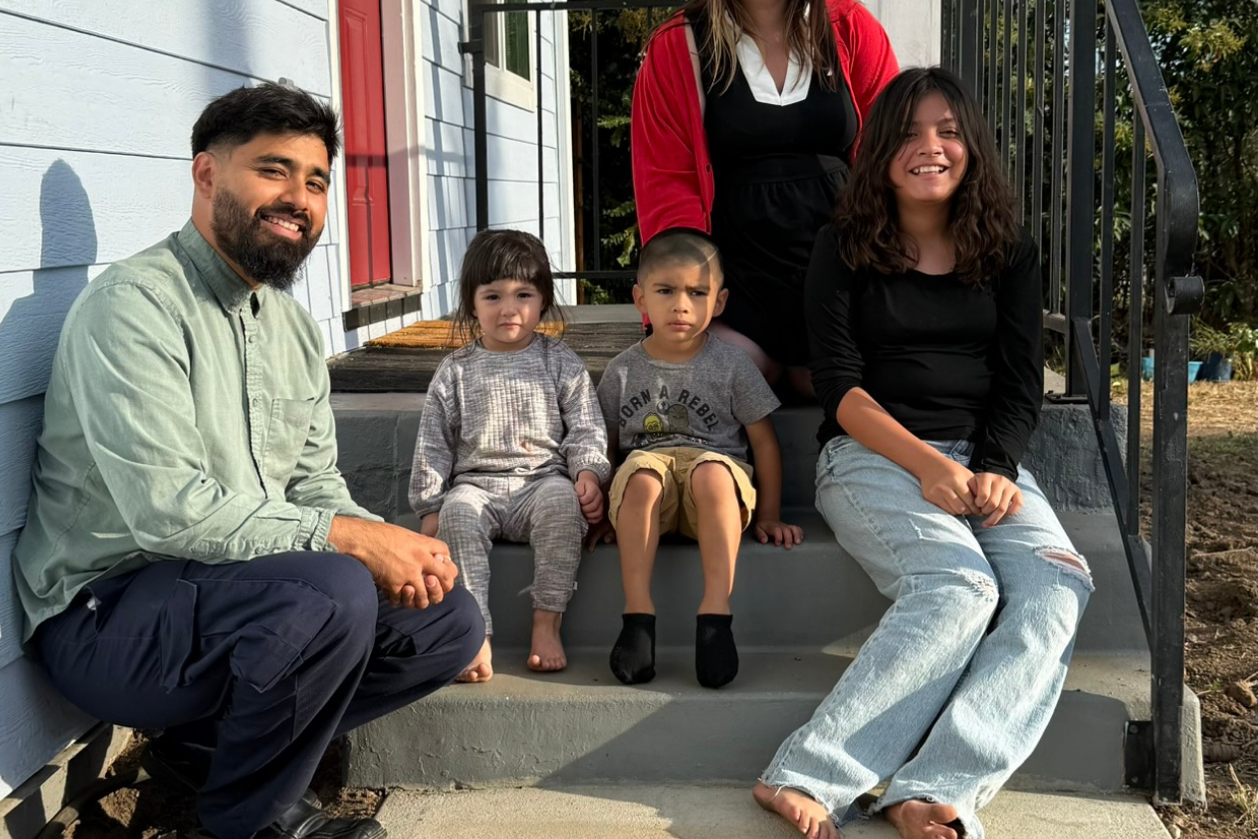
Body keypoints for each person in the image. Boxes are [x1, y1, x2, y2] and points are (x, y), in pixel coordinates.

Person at [12, 84, 483, 839]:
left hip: (228, 601)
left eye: (317, 181)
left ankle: (202, 757)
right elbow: (168, 508)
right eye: (274, 170)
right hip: (107, 618)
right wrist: (354, 542)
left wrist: (411, 560)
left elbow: (315, 485)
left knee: (446, 620)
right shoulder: (136, 307)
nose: (299, 197)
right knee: (330, 590)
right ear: (206, 175)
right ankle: (251, 821)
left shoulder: (291, 328)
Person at [752, 68, 1094, 839]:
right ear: (879, 150)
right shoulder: (841, 247)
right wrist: (928, 466)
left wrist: (998, 469)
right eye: (908, 133)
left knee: (1056, 587)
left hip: (981, 460)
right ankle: (805, 773)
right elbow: (840, 388)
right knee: (958, 589)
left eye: (946, 131)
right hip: (872, 458)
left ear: (970, 146)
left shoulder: (1006, 250)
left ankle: (933, 788)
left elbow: (1017, 383)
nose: (929, 147)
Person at [630, 0, 899, 397]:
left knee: (864, 389)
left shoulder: (850, 28)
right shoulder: (676, 47)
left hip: (842, 270)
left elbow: (894, 153)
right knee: (717, 388)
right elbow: (666, 182)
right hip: (738, 283)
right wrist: (690, 299)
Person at [598, 229, 802, 690]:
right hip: (649, 489)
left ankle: (715, 618)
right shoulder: (622, 370)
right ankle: (637, 619)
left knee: (712, 474)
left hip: (712, 492)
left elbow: (764, 443)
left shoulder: (732, 365)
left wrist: (769, 513)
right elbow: (606, 444)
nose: (681, 305)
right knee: (643, 478)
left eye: (697, 292)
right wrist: (606, 511)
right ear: (640, 299)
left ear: (720, 301)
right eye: (665, 291)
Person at [409, 229, 610, 682]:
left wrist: (588, 473)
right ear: (471, 304)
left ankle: (546, 623)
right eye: (493, 295)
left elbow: (585, 426)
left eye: (523, 294)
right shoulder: (456, 370)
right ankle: (473, 633)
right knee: (458, 513)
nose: (509, 308)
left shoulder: (560, 362)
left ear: (543, 301)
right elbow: (434, 442)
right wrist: (430, 506)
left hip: (543, 482)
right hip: (476, 486)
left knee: (562, 505)